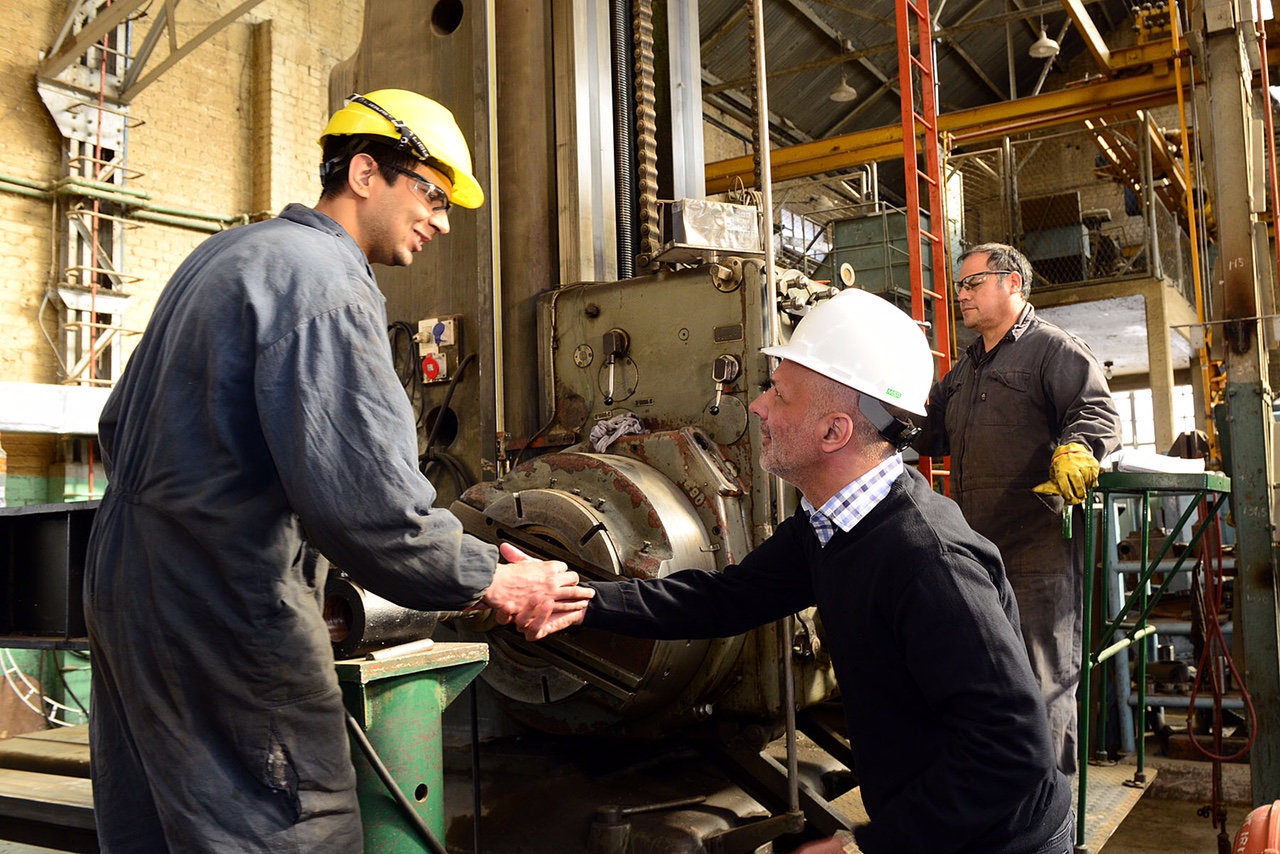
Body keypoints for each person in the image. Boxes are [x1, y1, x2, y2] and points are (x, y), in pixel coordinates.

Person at [82, 90, 591, 852]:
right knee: (290, 828)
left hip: (126, 589)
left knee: (161, 828)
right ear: (363, 173)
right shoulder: (326, 283)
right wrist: (493, 580)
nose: (443, 222)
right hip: (226, 604)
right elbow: (370, 509)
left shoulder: (227, 255)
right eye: (433, 195)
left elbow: (116, 425)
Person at [520, 288, 1074, 853]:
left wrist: (866, 847)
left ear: (835, 431)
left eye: (780, 395)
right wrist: (577, 598)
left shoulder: (930, 562)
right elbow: (724, 598)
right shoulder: (830, 524)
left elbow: (1012, 753)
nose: (758, 407)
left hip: (1002, 842)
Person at [915, 242, 1122, 777]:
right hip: (974, 551)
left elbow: (1096, 411)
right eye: (959, 285)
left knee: (1041, 684)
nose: (960, 295)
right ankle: (1000, 801)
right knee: (984, 682)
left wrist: (1078, 447)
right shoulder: (965, 369)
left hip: (1036, 554)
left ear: (1012, 283)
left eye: (972, 283)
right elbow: (928, 432)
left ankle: (1049, 810)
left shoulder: (1051, 348)